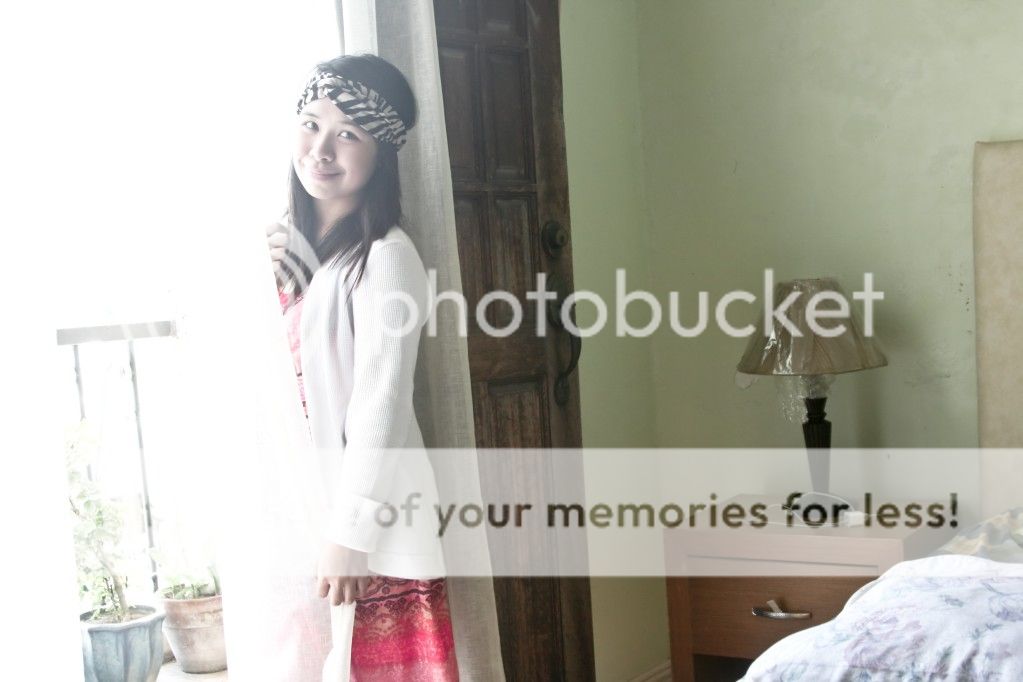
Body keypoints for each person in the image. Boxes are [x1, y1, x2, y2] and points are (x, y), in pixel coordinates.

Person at [268, 53, 459, 681]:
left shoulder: (386, 258)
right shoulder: (285, 248)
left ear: (382, 155)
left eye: (348, 134)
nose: (321, 149)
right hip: (299, 508)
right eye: (311, 124)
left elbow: (382, 405)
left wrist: (352, 535)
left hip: (368, 520)